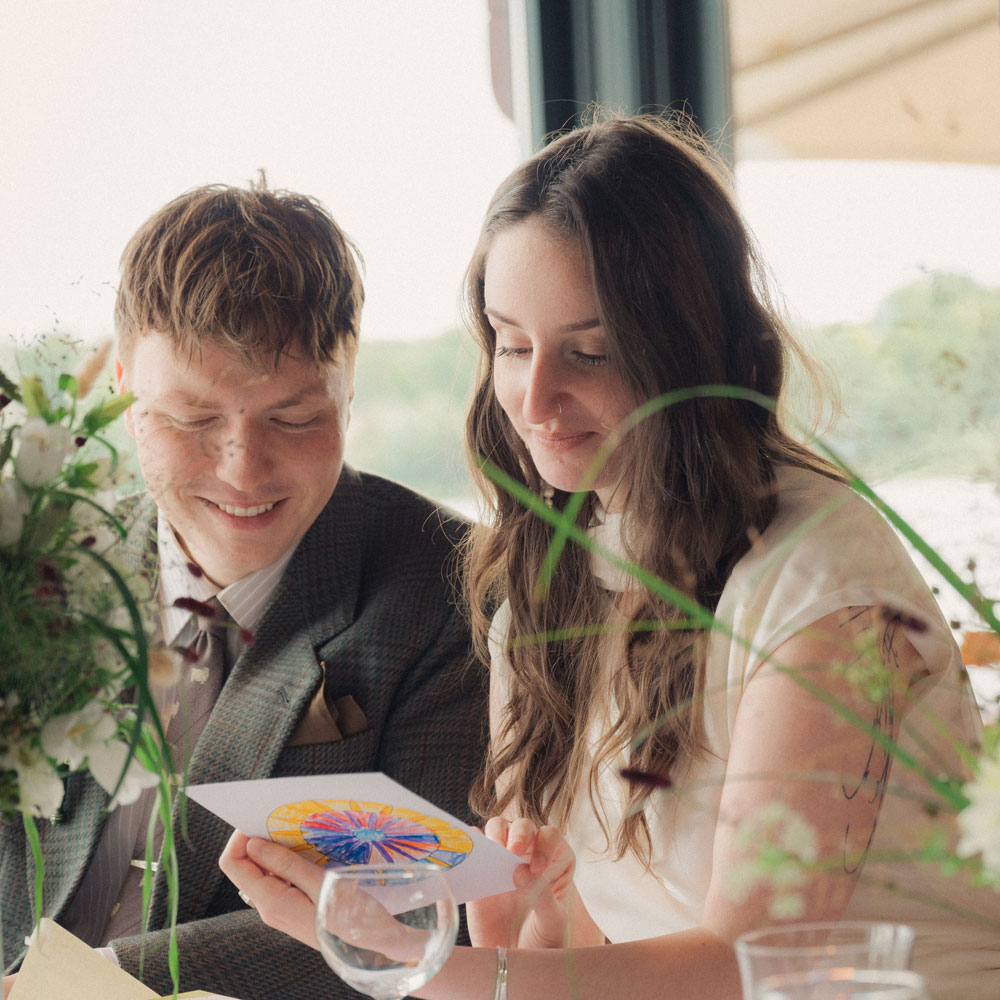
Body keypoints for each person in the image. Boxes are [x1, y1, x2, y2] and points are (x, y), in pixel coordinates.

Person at [220, 115, 1000, 999]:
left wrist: (401, 954)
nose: (535, 396)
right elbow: (593, 948)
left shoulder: (822, 581)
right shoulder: (548, 581)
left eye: (590, 352)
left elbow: (759, 964)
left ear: (689, 348)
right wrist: (536, 930)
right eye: (511, 344)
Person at [0, 179, 486, 1000]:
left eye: (293, 418)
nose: (243, 472)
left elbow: (410, 912)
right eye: (192, 420)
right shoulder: (40, 561)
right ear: (123, 388)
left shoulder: (448, 589)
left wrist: (71, 988)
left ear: (349, 383)